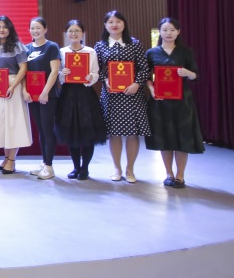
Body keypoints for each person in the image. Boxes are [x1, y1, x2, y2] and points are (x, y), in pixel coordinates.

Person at [145, 17, 204, 189]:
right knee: (164, 137)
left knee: (182, 138)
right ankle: (169, 174)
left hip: (182, 102)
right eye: (165, 30)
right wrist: (152, 90)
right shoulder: (152, 53)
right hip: (160, 102)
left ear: (178, 32)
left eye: (172, 30)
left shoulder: (185, 52)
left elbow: (196, 75)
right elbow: (146, 77)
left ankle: (180, 176)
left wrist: (187, 73)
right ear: (159, 32)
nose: (168, 33)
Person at [94, 10, 151, 183]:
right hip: (111, 96)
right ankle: (117, 168)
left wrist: (137, 84)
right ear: (105, 25)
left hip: (132, 95)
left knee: (133, 134)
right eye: (110, 22)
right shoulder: (100, 46)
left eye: (118, 21)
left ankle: (130, 169)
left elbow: (144, 68)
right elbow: (97, 69)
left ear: (124, 24)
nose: (114, 25)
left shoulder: (134, 44)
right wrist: (105, 80)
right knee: (114, 133)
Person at [55, 20, 106, 180]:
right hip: (68, 94)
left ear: (82, 33)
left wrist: (91, 77)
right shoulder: (61, 52)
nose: (74, 34)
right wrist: (62, 73)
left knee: (87, 131)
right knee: (71, 132)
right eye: (70, 31)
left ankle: (85, 168)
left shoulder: (90, 51)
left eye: (77, 30)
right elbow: (57, 74)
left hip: (85, 94)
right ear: (66, 34)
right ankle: (76, 167)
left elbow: (96, 73)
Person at [0, 15, 31, 174]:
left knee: (13, 123)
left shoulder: (17, 46)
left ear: (10, 28)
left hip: (13, 86)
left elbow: (23, 68)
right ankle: (6, 159)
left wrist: (13, 86)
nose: (2, 30)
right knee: (2, 124)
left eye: (5, 27)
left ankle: (11, 160)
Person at [23, 17, 61, 180]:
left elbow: (54, 71)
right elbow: (23, 72)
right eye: (32, 28)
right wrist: (24, 90)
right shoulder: (26, 48)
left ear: (45, 29)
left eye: (38, 27)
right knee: (41, 130)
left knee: (47, 129)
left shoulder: (51, 47)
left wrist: (45, 92)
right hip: (32, 96)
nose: (35, 31)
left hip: (48, 96)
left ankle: (49, 167)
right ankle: (45, 163)